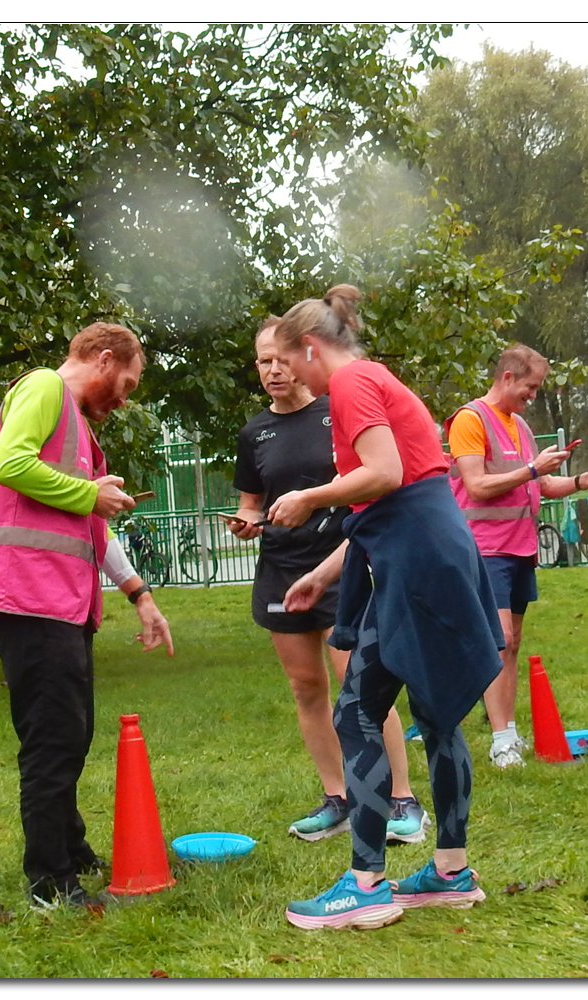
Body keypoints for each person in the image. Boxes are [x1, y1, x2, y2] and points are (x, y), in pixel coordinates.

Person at [266, 284, 503, 931]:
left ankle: (366, 884)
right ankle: (450, 873)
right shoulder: (373, 378)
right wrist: (320, 572)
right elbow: (387, 505)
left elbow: (385, 472)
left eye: (291, 362)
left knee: (358, 714)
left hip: (419, 564)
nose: (292, 377)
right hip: (429, 552)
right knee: (438, 713)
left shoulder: (350, 384)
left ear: (312, 348)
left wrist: (311, 497)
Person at [0, 321, 175, 909]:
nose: (125, 397)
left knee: (71, 731)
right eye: (128, 383)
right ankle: (50, 880)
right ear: (105, 360)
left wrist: (139, 593)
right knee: (54, 739)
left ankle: (71, 849)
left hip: (58, 602)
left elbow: (90, 525)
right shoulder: (44, 387)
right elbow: (8, 465)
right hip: (30, 599)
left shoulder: (77, 428)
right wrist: (90, 493)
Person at [229, 317, 427, 844]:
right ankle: (337, 798)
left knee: (362, 686)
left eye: (280, 358)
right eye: (263, 361)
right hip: (281, 568)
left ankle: (401, 799)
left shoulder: (335, 405)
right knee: (305, 688)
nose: (274, 370)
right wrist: (248, 522)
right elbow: (252, 502)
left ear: (301, 356)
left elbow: (379, 474)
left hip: (344, 560)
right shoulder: (255, 433)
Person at [445, 345, 588, 768]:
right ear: (507, 377)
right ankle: (499, 740)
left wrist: (582, 479)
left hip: (519, 547)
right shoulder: (470, 419)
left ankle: (507, 731)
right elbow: (475, 485)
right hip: (484, 546)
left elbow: (541, 489)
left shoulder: (520, 426)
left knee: (510, 645)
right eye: (530, 388)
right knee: (499, 641)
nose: (533, 396)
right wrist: (533, 469)